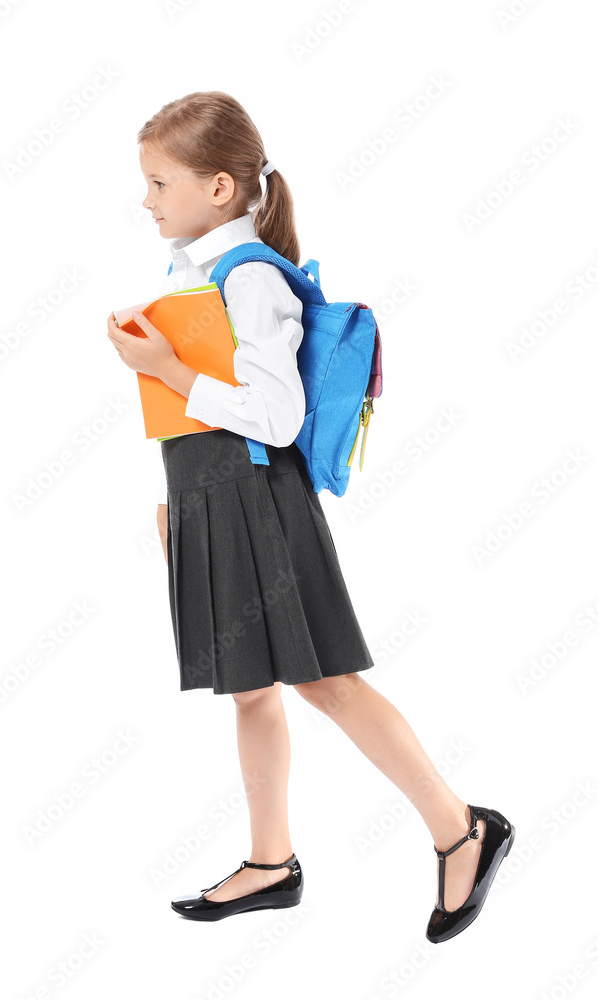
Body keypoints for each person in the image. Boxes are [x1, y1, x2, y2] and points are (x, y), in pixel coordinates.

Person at [107, 91, 515, 943]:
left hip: (257, 503)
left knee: (324, 679)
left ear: (219, 188)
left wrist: (166, 369)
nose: (146, 200)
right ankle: (270, 863)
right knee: (249, 691)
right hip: (210, 498)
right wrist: (171, 498)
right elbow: (200, 412)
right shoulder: (195, 270)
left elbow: (277, 417)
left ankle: (459, 827)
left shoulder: (249, 275)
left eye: (158, 182)